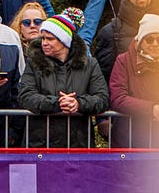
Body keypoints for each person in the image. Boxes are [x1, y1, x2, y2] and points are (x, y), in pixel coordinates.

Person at [17, 9, 109, 145]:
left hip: (78, 143)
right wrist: (57, 103)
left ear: (65, 40)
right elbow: (25, 96)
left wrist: (78, 103)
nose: (44, 43)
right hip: (40, 142)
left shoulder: (90, 64)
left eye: (50, 39)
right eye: (43, 38)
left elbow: (102, 98)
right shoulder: (33, 63)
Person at [108, 12, 159, 145]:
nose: (155, 44)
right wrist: (151, 109)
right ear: (140, 41)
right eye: (149, 39)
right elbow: (117, 98)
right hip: (130, 139)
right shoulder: (124, 61)